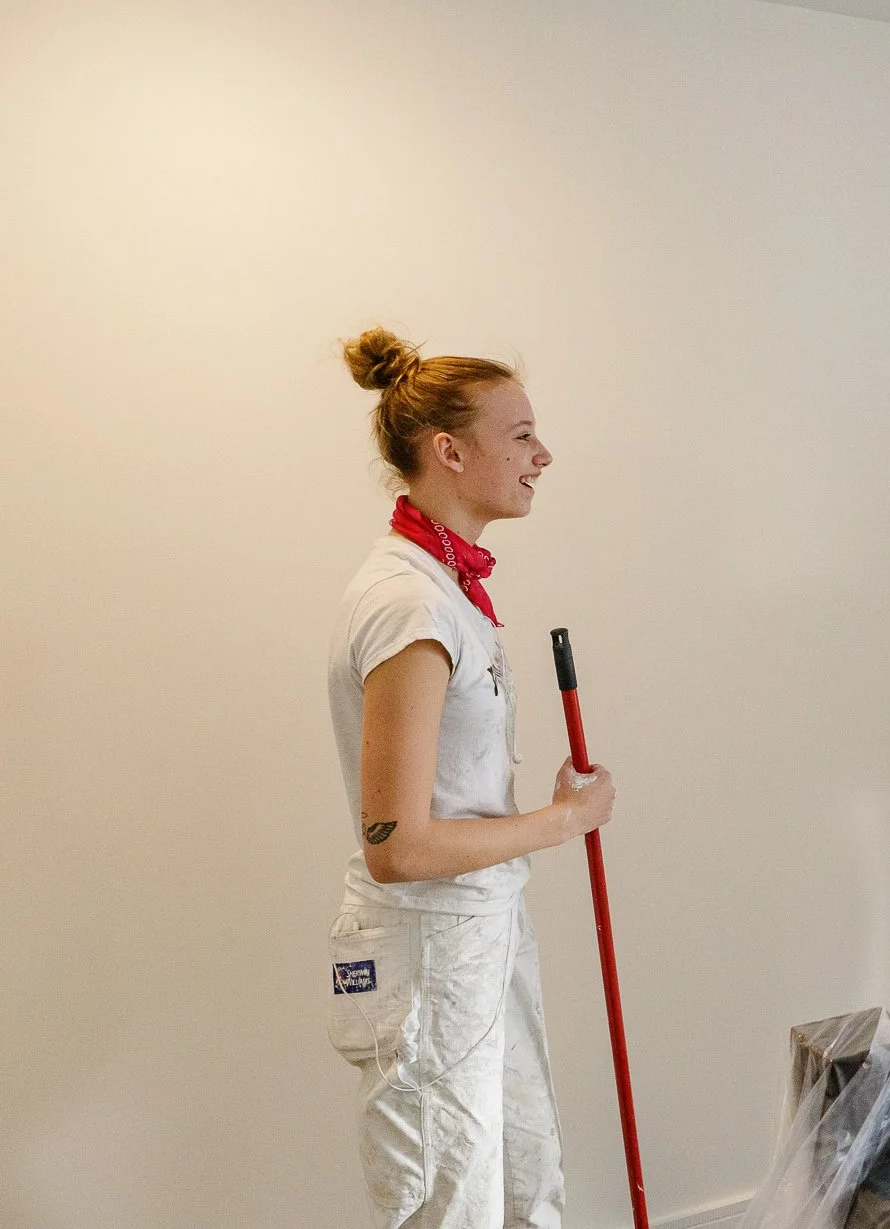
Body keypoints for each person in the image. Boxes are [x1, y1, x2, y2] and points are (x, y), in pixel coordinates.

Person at [326, 327, 616, 1229]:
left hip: (480, 929)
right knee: (456, 1211)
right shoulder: (409, 603)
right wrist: (563, 819)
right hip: (430, 951)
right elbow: (398, 846)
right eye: (521, 435)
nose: (543, 454)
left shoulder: (447, 587)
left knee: (526, 1187)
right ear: (449, 451)